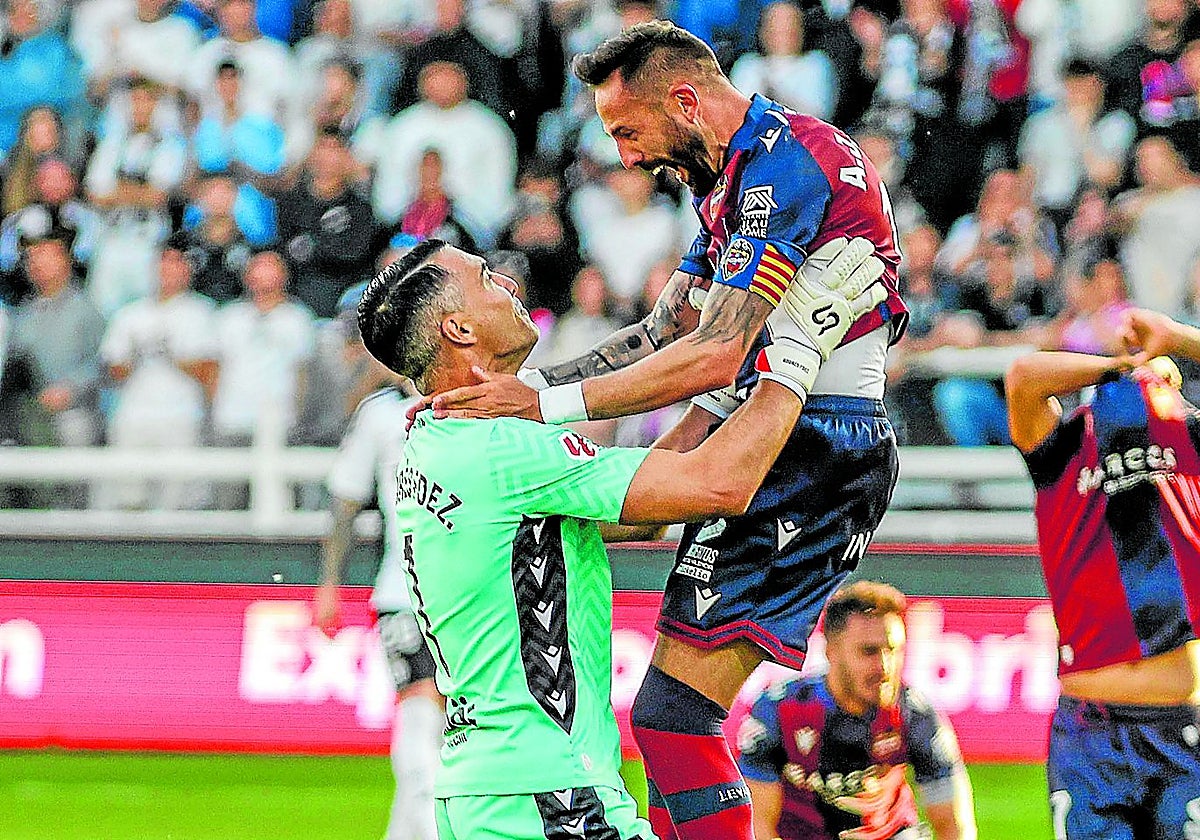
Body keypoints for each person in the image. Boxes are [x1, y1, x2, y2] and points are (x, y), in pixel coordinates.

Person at [413, 21, 906, 840]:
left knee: (674, 719)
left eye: (628, 132)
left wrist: (544, 406)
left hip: (814, 440)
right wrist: (523, 384)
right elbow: (663, 329)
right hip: (763, 413)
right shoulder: (731, 173)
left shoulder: (783, 171)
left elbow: (713, 352)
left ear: (684, 100)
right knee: (665, 709)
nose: (629, 157)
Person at [356, 236, 886, 840]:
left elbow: (640, 514)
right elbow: (719, 487)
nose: (506, 282)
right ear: (457, 329)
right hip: (546, 791)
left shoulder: (436, 440)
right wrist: (798, 353)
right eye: (484, 279)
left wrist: (715, 398)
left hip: (486, 791)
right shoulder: (503, 451)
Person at [1005, 307, 1200, 839]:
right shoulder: (1061, 448)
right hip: (1090, 730)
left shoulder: (1192, 442)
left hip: (1183, 727)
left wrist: (1177, 340)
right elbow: (1022, 377)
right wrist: (1119, 363)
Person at [314, 287, 440, 840]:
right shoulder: (380, 417)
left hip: (475, 593)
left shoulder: (476, 404)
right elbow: (344, 501)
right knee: (421, 722)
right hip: (405, 592)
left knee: (455, 732)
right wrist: (328, 587)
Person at [738, 581, 976, 840]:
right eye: (869, 651)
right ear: (831, 651)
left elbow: (954, 827)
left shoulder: (915, 714)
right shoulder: (779, 712)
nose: (885, 667)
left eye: (893, 650)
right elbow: (756, 827)